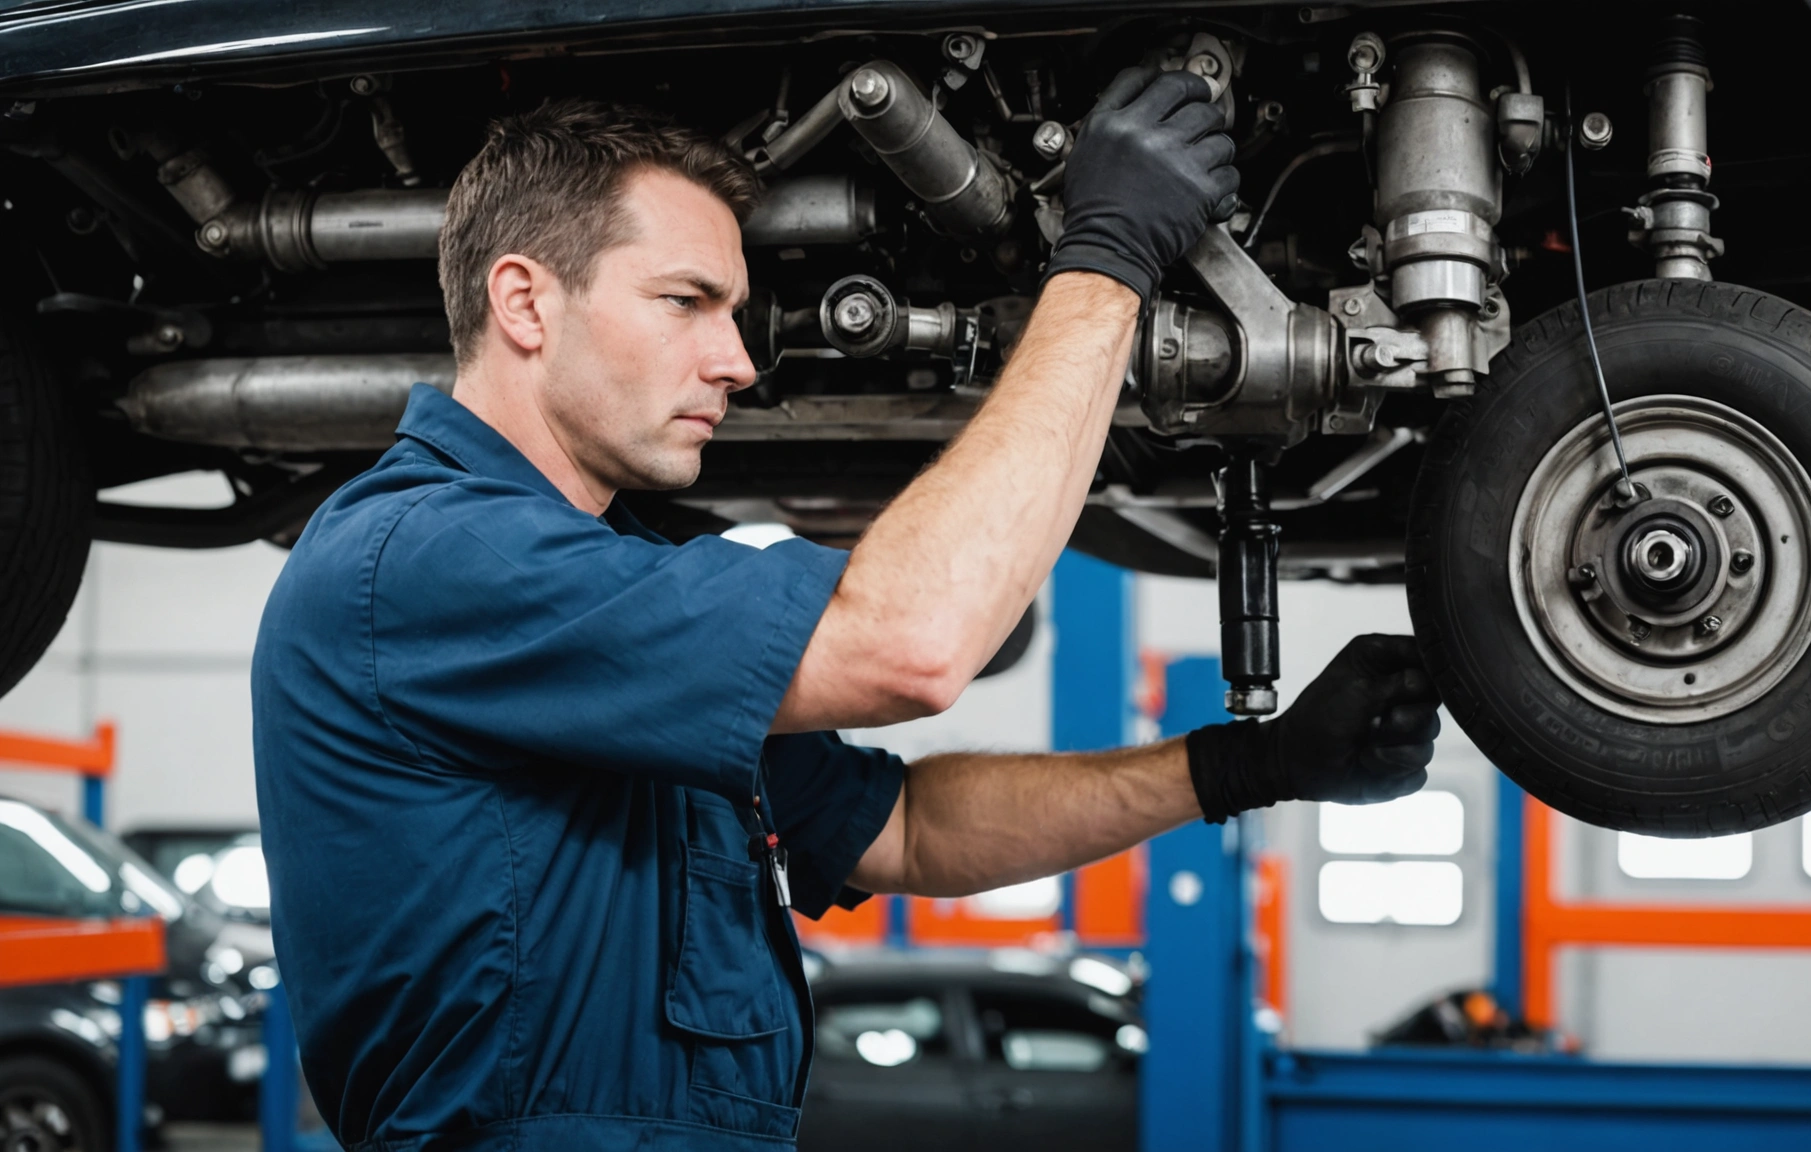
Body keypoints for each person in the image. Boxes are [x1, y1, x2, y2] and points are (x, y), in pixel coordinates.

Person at [252, 66, 1439, 1151]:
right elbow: (912, 643)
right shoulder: (424, 557)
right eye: (686, 301)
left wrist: (1247, 766)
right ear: (525, 301)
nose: (738, 360)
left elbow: (908, 829)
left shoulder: (605, 594)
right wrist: (1108, 257)